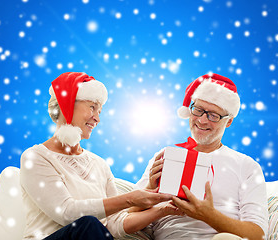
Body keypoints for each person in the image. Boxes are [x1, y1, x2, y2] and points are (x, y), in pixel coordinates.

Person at [20, 72, 182, 240]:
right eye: (92, 107)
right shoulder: (35, 157)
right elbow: (66, 213)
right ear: (66, 104)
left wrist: (163, 210)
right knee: (88, 225)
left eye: (99, 111)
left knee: (94, 228)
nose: (97, 118)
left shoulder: (99, 164)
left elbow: (114, 225)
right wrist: (130, 199)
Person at [136, 73, 268, 240]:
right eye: (198, 110)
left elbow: (259, 235)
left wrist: (208, 215)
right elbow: (125, 215)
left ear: (228, 121)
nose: (202, 120)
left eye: (213, 115)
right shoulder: (165, 156)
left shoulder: (246, 166)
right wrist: (149, 188)